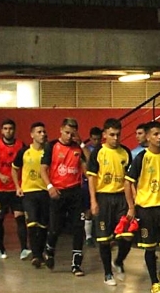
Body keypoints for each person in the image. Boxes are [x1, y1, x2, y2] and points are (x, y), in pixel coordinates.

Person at [124, 120, 160, 293]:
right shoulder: (141, 158)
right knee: (150, 247)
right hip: (147, 208)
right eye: (155, 134)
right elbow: (128, 183)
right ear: (148, 137)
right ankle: (154, 282)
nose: (159, 137)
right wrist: (131, 207)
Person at [87, 118, 134, 286]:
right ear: (105, 134)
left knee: (128, 235)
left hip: (122, 197)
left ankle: (119, 261)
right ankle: (107, 273)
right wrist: (93, 201)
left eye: (118, 135)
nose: (115, 138)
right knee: (104, 238)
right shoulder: (98, 152)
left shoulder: (126, 153)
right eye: (112, 134)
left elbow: (130, 180)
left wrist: (132, 204)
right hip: (103, 197)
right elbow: (91, 178)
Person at [40, 117, 87, 276]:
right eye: (67, 132)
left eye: (72, 133)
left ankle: (76, 264)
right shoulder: (52, 146)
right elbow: (43, 169)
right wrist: (50, 187)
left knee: (78, 228)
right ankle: (49, 250)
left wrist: (81, 144)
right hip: (57, 192)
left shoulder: (78, 148)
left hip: (75, 193)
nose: (69, 136)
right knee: (55, 228)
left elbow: (89, 166)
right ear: (61, 130)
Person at [0, 119, 29, 260]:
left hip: (16, 189)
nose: (8, 131)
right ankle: (1, 249)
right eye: (5, 128)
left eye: (11, 128)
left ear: (14, 130)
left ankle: (24, 248)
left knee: (20, 217)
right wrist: (1, 176)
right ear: (1, 131)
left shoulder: (21, 145)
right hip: (0, 190)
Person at [12, 122, 50, 268]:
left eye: (44, 132)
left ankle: (40, 253)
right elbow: (14, 169)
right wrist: (17, 186)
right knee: (32, 222)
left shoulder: (48, 151)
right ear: (32, 135)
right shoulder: (24, 152)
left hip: (45, 192)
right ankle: (35, 255)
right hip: (29, 192)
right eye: (39, 132)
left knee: (43, 225)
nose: (42, 134)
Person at [82, 127, 102, 246]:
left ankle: (102, 234)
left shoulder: (104, 150)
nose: (96, 142)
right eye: (94, 139)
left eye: (98, 139)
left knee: (101, 211)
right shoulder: (86, 150)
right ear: (90, 139)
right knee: (88, 211)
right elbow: (86, 165)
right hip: (87, 183)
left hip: (101, 184)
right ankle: (89, 236)